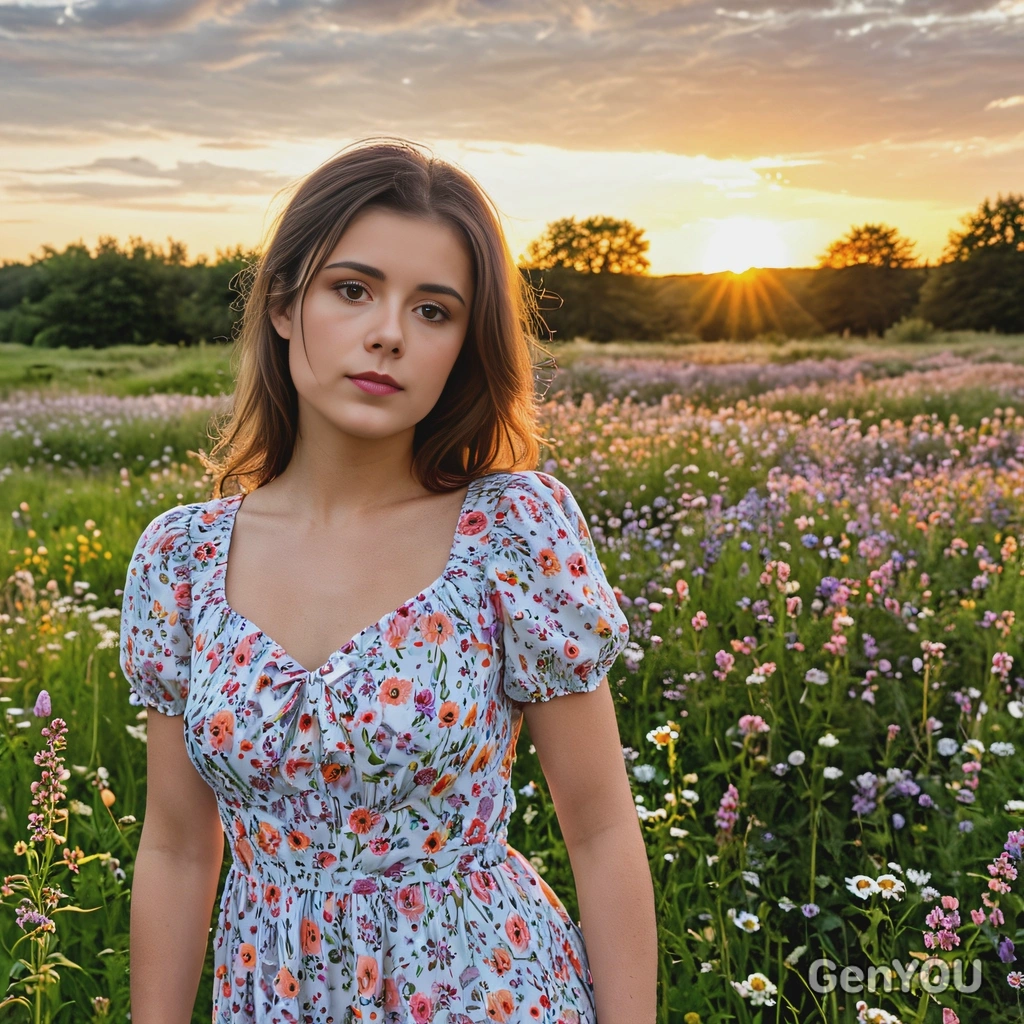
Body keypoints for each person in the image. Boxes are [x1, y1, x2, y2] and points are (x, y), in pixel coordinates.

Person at [119, 136, 657, 1024]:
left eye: (434, 311)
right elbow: (178, 849)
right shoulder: (182, 561)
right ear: (287, 304)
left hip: (486, 994)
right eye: (353, 289)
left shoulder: (511, 533)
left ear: (462, 346)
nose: (388, 334)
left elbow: (599, 829)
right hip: (272, 1000)